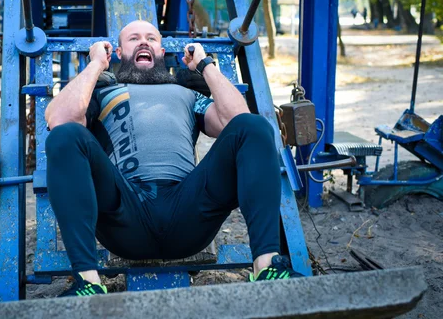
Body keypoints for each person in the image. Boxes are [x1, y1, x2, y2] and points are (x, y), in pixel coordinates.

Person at [44, 20, 303, 297]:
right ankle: (88, 282)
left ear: (162, 50)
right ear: (118, 52)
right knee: (64, 136)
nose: (143, 42)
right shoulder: (100, 93)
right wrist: (95, 65)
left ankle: (267, 268)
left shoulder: (188, 94)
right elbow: (60, 119)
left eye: (151, 39)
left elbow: (235, 121)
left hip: (189, 213)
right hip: (125, 213)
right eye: (134, 38)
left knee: (255, 127)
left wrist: (205, 65)